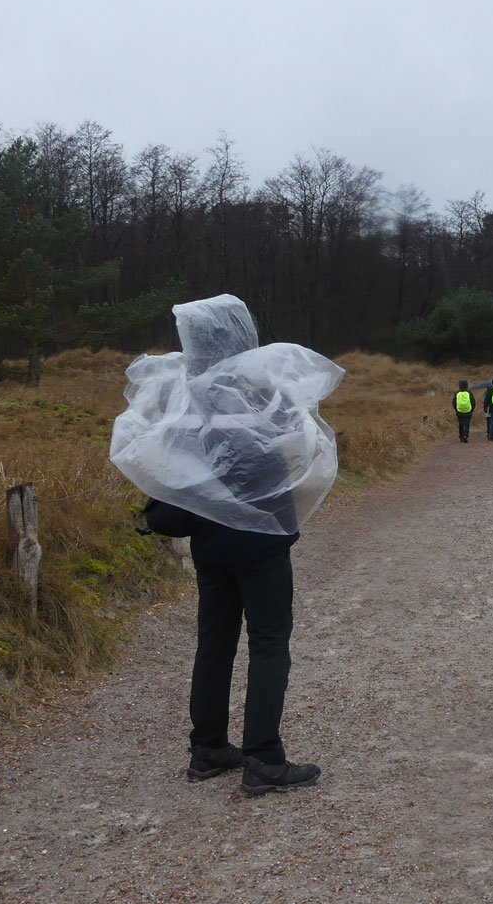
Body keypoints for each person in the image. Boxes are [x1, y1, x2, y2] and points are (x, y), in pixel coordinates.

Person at [111, 294, 340, 797]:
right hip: (260, 540)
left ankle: (208, 749)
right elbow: (297, 443)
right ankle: (264, 758)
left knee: (214, 645)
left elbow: (173, 463)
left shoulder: (183, 394)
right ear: (242, 335)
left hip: (208, 540)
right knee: (269, 643)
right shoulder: (260, 389)